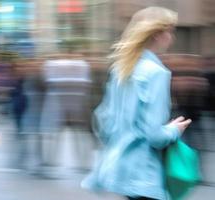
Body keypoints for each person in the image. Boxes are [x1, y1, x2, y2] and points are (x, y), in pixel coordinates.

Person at [81, 7, 192, 200]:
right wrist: (174, 129)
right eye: (170, 32)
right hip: (144, 174)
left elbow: (104, 121)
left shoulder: (121, 69)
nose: (171, 38)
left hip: (121, 170)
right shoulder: (156, 73)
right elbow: (154, 135)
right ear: (157, 34)